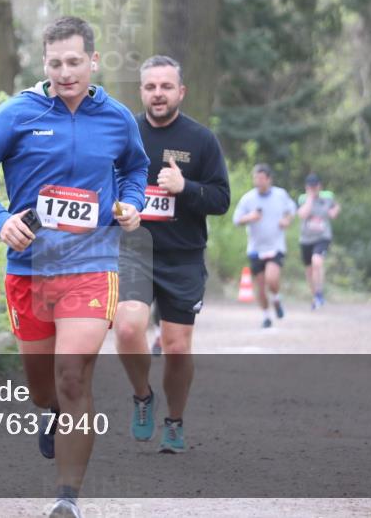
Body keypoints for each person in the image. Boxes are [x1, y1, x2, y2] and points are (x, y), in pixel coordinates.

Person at [0, 16, 148, 518]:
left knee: (73, 377)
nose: (66, 72)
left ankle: (67, 498)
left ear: (94, 61)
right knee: (43, 387)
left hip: (91, 263)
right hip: (28, 267)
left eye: (75, 62)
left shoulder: (117, 118)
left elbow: (135, 167)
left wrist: (131, 203)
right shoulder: (16, 114)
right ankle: (51, 413)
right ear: (43, 64)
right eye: (56, 63)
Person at [114, 55, 230, 454]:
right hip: (134, 250)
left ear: (180, 91)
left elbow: (221, 199)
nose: (158, 94)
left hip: (182, 256)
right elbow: (102, 185)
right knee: (128, 329)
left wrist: (187, 187)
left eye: (166, 87)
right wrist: (119, 209)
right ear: (141, 91)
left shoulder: (201, 140)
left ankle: (175, 420)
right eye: (150, 87)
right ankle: (143, 396)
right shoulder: (124, 133)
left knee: (177, 347)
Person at [232, 164, 296, 328]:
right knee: (260, 286)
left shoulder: (280, 195)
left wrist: (286, 220)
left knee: (271, 278)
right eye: (255, 178)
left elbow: (292, 209)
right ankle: (266, 316)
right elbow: (236, 219)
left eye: (261, 178)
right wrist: (250, 217)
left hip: (275, 246)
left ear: (269, 179)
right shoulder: (248, 198)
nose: (258, 182)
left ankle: (276, 298)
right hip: (255, 248)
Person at [297, 173, 340, 309]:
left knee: (317, 261)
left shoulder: (328, 197)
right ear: (306, 187)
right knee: (309, 270)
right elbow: (302, 214)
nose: (313, 189)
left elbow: (335, 207)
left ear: (319, 186)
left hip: (322, 237)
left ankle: (320, 293)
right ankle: (315, 295)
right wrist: (310, 198)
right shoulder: (302, 199)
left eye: (315, 187)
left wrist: (334, 211)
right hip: (306, 239)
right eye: (310, 187)